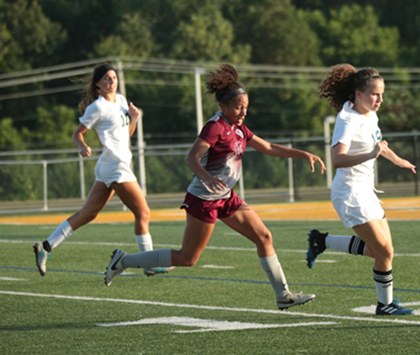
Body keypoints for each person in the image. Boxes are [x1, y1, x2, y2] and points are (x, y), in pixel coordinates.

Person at [104, 63, 326, 310]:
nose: (243, 112)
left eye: (246, 107)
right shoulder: (216, 127)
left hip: (226, 197)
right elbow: (191, 158)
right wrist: (207, 178)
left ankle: (283, 295)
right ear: (223, 106)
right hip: (204, 200)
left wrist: (303, 154)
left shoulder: (238, 127)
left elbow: (269, 148)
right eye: (238, 107)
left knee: (264, 237)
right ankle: (123, 261)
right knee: (187, 258)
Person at [32, 63, 172, 277]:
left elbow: (127, 135)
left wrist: (134, 118)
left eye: (113, 78)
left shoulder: (122, 101)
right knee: (143, 212)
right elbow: (77, 134)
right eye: (106, 78)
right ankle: (149, 262)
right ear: (97, 84)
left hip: (112, 165)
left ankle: (46, 246)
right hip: (116, 167)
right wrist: (83, 146)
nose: (111, 81)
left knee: (87, 214)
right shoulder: (97, 107)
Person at [306, 64, 417, 316]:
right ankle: (384, 305)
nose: (380, 100)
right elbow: (338, 159)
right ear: (358, 93)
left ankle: (321, 240)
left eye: (382, 94)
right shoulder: (347, 120)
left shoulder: (369, 114)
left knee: (381, 251)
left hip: (366, 191)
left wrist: (399, 160)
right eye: (374, 94)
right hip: (350, 193)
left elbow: (379, 146)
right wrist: (371, 153)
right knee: (384, 251)